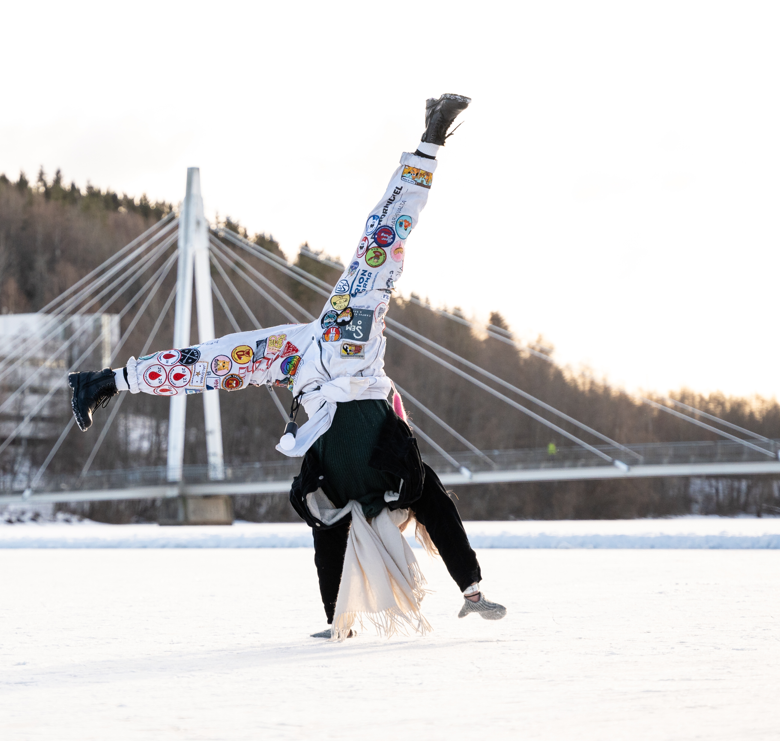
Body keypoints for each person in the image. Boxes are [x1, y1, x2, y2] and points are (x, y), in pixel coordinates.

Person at [68, 93, 505, 629]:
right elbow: (435, 513)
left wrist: (464, 588)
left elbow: (346, 537)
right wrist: (471, 587)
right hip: (350, 363)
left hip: (324, 370)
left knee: (222, 359)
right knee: (377, 248)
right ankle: (431, 139)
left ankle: (105, 381)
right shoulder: (399, 489)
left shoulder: (358, 498)